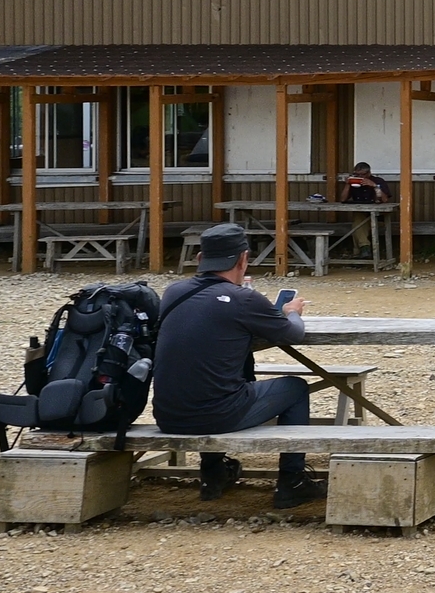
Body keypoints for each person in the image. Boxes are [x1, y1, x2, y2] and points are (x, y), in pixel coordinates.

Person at [153, 222, 328, 509]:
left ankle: (213, 473)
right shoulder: (243, 298)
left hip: (168, 416)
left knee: (233, 368)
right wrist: (291, 312)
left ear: (200, 260)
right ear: (243, 259)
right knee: (296, 388)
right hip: (217, 416)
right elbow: (293, 333)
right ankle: (293, 481)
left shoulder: (174, 292)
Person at [339, 161, 392, 258]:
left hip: (377, 218)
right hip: (361, 216)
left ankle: (359, 253)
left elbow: (385, 200)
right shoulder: (354, 183)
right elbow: (343, 199)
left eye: (362, 175)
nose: (360, 177)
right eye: (356, 174)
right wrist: (347, 184)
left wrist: (374, 186)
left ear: (369, 173)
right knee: (358, 221)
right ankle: (364, 249)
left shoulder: (378, 181)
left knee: (357, 224)